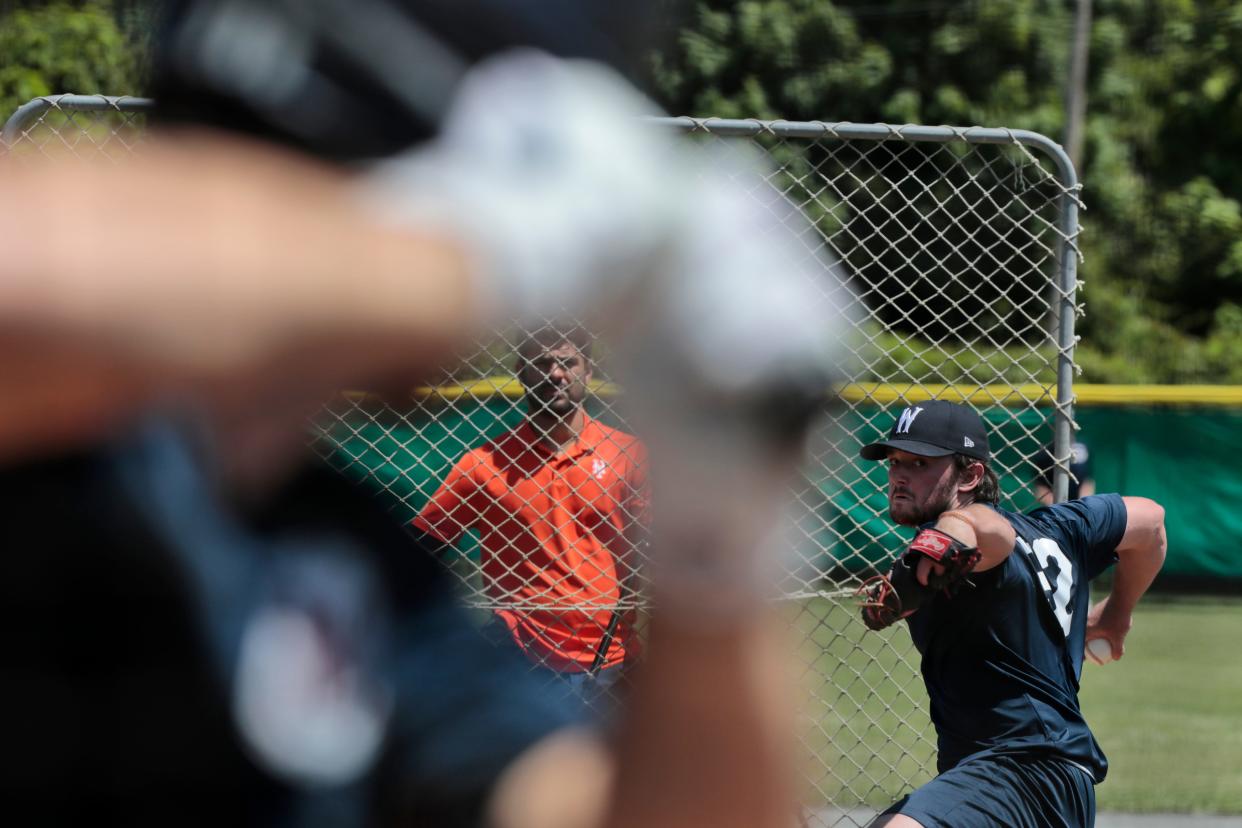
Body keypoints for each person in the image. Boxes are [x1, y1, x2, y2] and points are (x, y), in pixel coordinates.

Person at [0, 1, 854, 825]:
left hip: (583, 653)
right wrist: (473, 255)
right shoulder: (58, 446)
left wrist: (721, 553)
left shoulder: (343, 572)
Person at [856, 399, 1166, 828]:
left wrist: (954, 533)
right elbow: (1151, 521)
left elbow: (986, 529)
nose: (899, 475)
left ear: (971, 475)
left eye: (920, 463)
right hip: (1049, 779)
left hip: (1019, 766)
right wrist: (1117, 614)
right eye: (894, 462)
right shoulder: (1061, 528)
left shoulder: (966, 537)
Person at [413, 324, 647, 694]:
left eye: (567, 362)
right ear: (521, 373)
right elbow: (421, 545)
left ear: (587, 371)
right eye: (541, 363)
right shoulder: (483, 463)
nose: (555, 373)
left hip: (613, 664)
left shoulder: (631, 456)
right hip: (519, 668)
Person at [1035, 437, 1096, 505]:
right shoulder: (1045, 453)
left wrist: (1082, 506)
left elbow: (1087, 481)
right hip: (1055, 505)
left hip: (1079, 504)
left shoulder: (1083, 447)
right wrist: (1058, 508)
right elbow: (1040, 487)